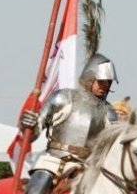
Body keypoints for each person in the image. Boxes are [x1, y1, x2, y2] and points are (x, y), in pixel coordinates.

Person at [20, 53, 119, 194]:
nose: (105, 85)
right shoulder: (64, 97)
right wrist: (28, 124)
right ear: (90, 78)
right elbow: (32, 134)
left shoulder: (109, 112)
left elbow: (114, 146)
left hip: (87, 166)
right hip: (54, 161)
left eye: (108, 82)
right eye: (101, 81)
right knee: (37, 189)